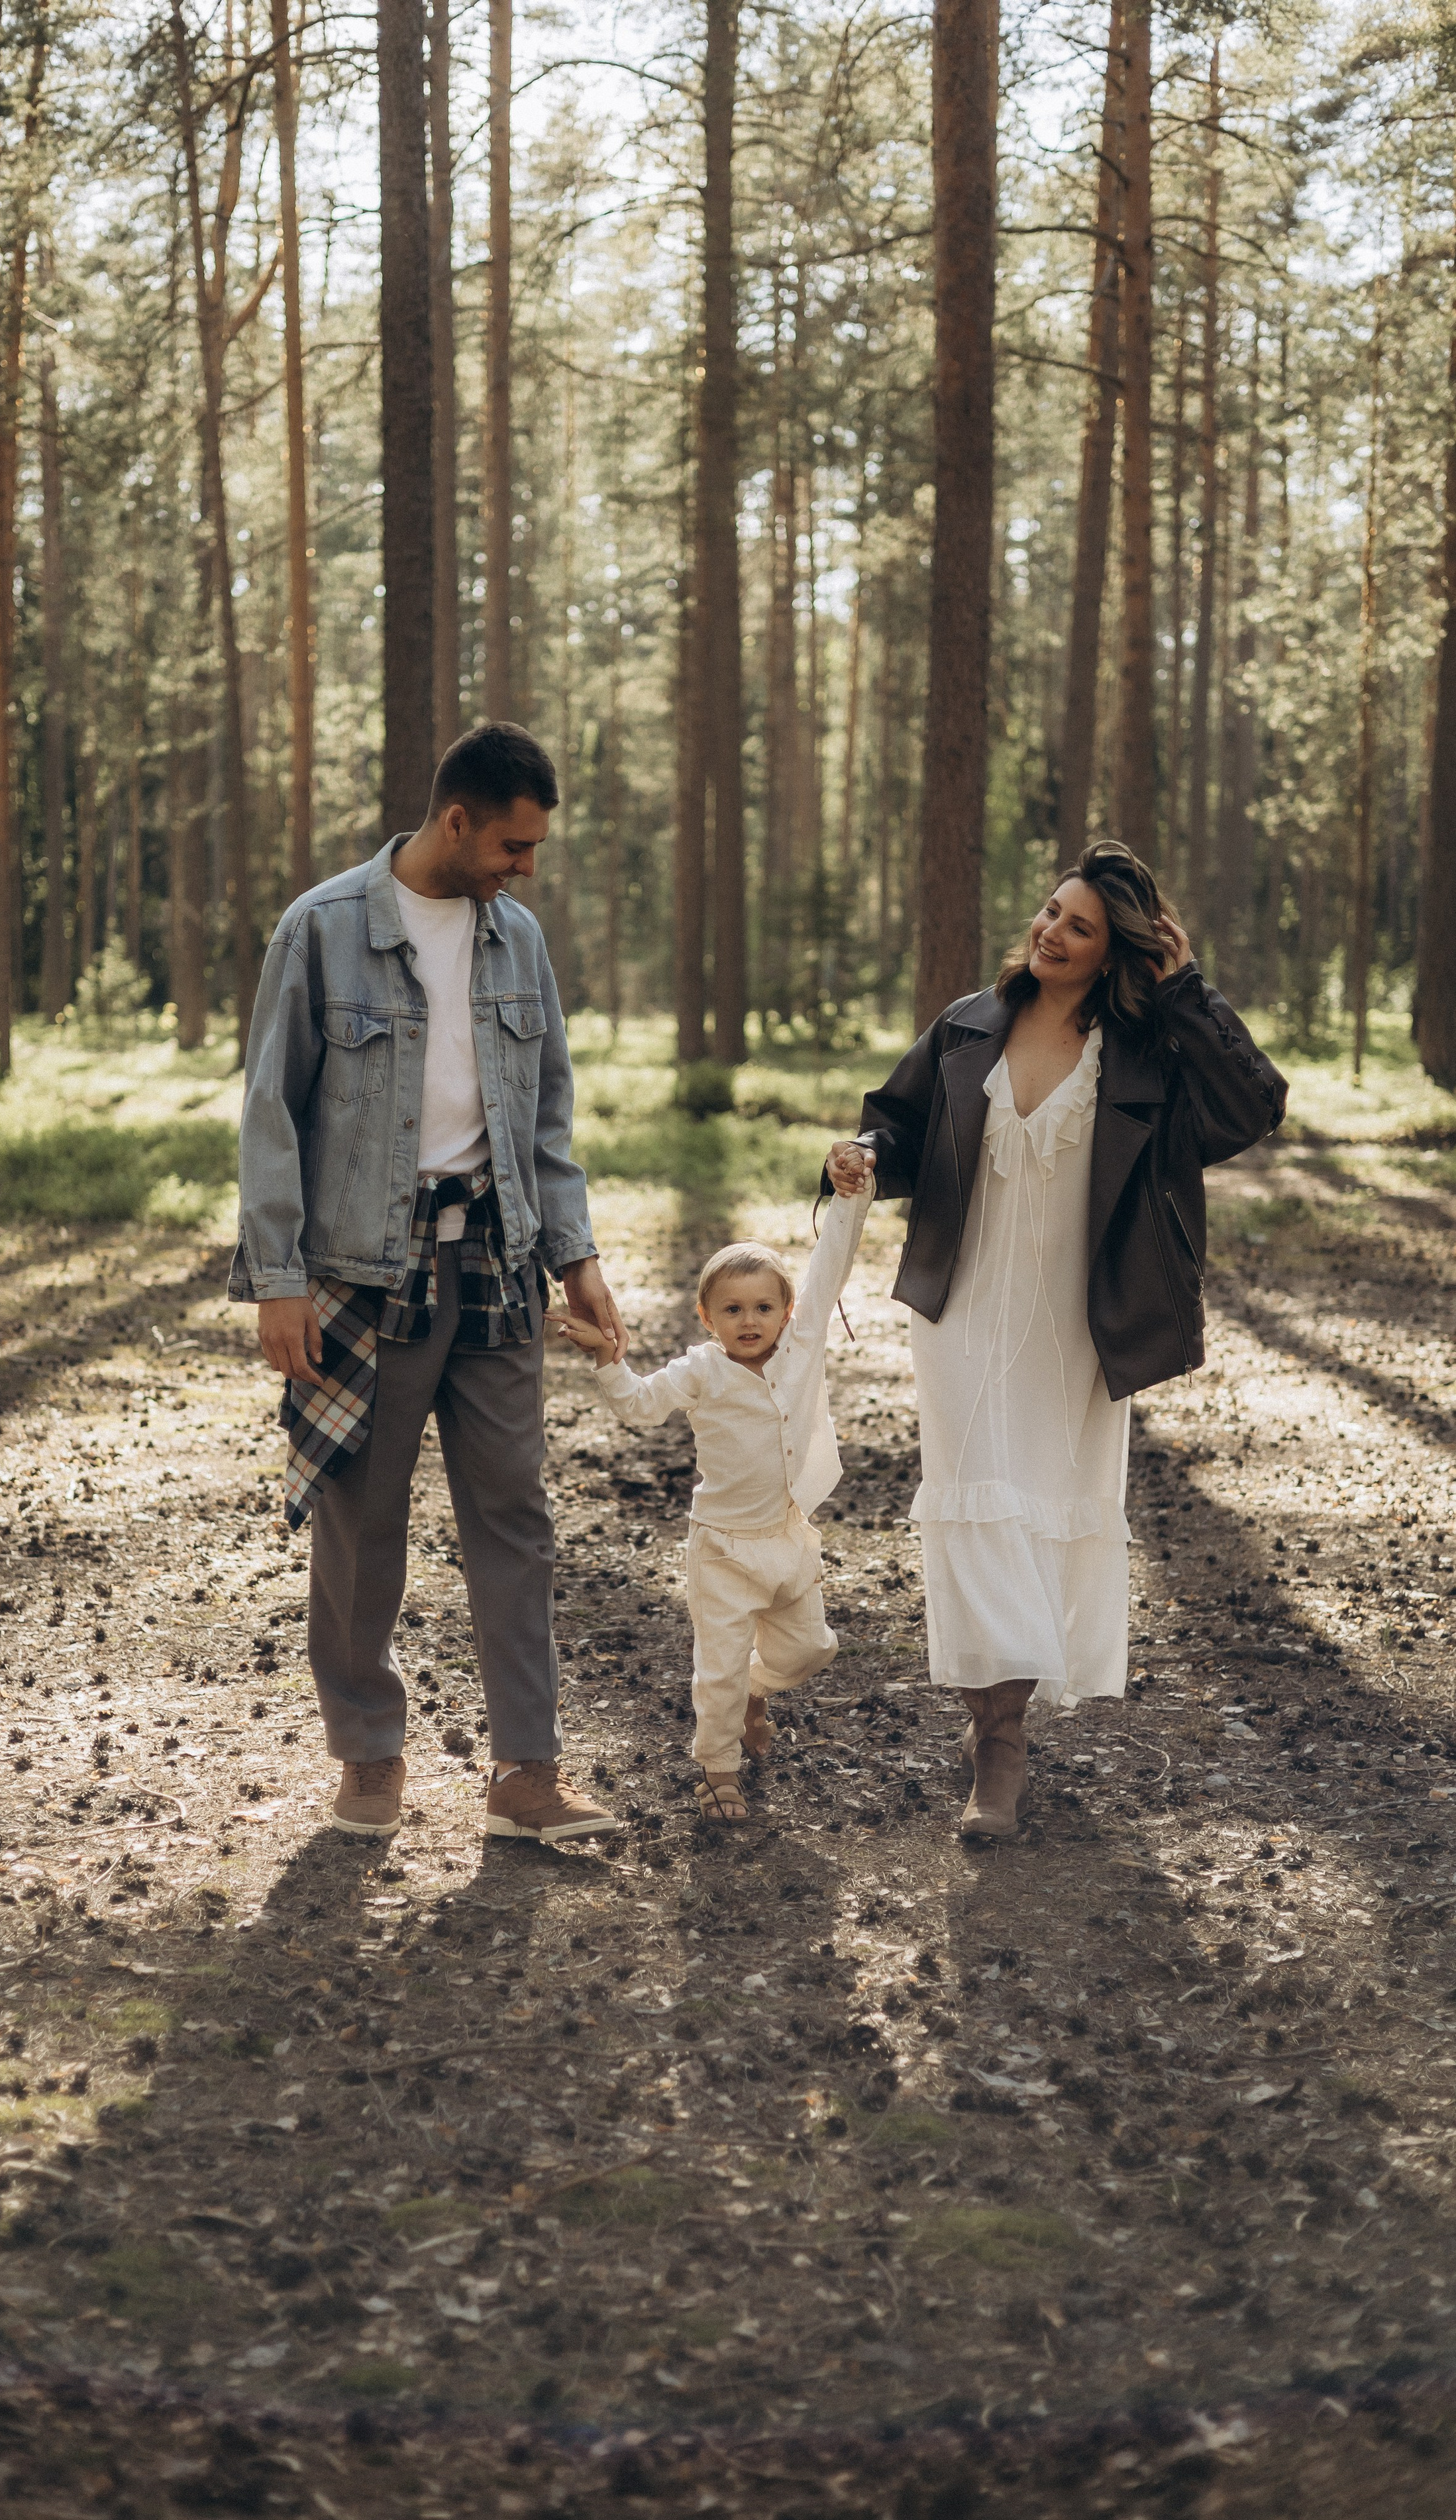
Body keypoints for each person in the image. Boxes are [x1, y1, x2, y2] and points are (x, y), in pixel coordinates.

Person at [826, 840, 1287, 1840]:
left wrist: (1188, 991)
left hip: (1083, 1324)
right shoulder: (968, 1027)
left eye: (1078, 926)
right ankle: (998, 1748)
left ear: (1116, 951)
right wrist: (863, 1154)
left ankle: (1009, 1724)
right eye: (1047, 911)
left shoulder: (1147, 1052)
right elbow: (896, 1122)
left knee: (1038, 1515)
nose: (1050, 932)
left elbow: (1254, 1106)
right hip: (962, 1312)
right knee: (978, 1513)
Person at [231, 721, 629, 1846]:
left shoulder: (521, 944)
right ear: (456, 820)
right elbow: (272, 1113)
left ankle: (526, 1775)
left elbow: (547, 1116)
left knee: (516, 1516)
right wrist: (278, 1278)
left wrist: (576, 1254)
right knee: (363, 1525)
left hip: (498, 1270)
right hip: (365, 1277)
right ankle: (368, 1757)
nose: (526, 867)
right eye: (514, 844)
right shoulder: (323, 930)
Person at [548, 1181, 874, 1824]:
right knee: (718, 1669)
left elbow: (832, 1258)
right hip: (722, 1548)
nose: (747, 1321)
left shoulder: (801, 1352)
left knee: (812, 1650)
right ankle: (718, 1769)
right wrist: (608, 1361)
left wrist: (851, 1197)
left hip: (786, 1536)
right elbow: (640, 1407)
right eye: (731, 1310)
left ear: (788, 1313)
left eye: (761, 1308)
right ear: (706, 1317)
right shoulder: (702, 1369)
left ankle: (758, 1689)